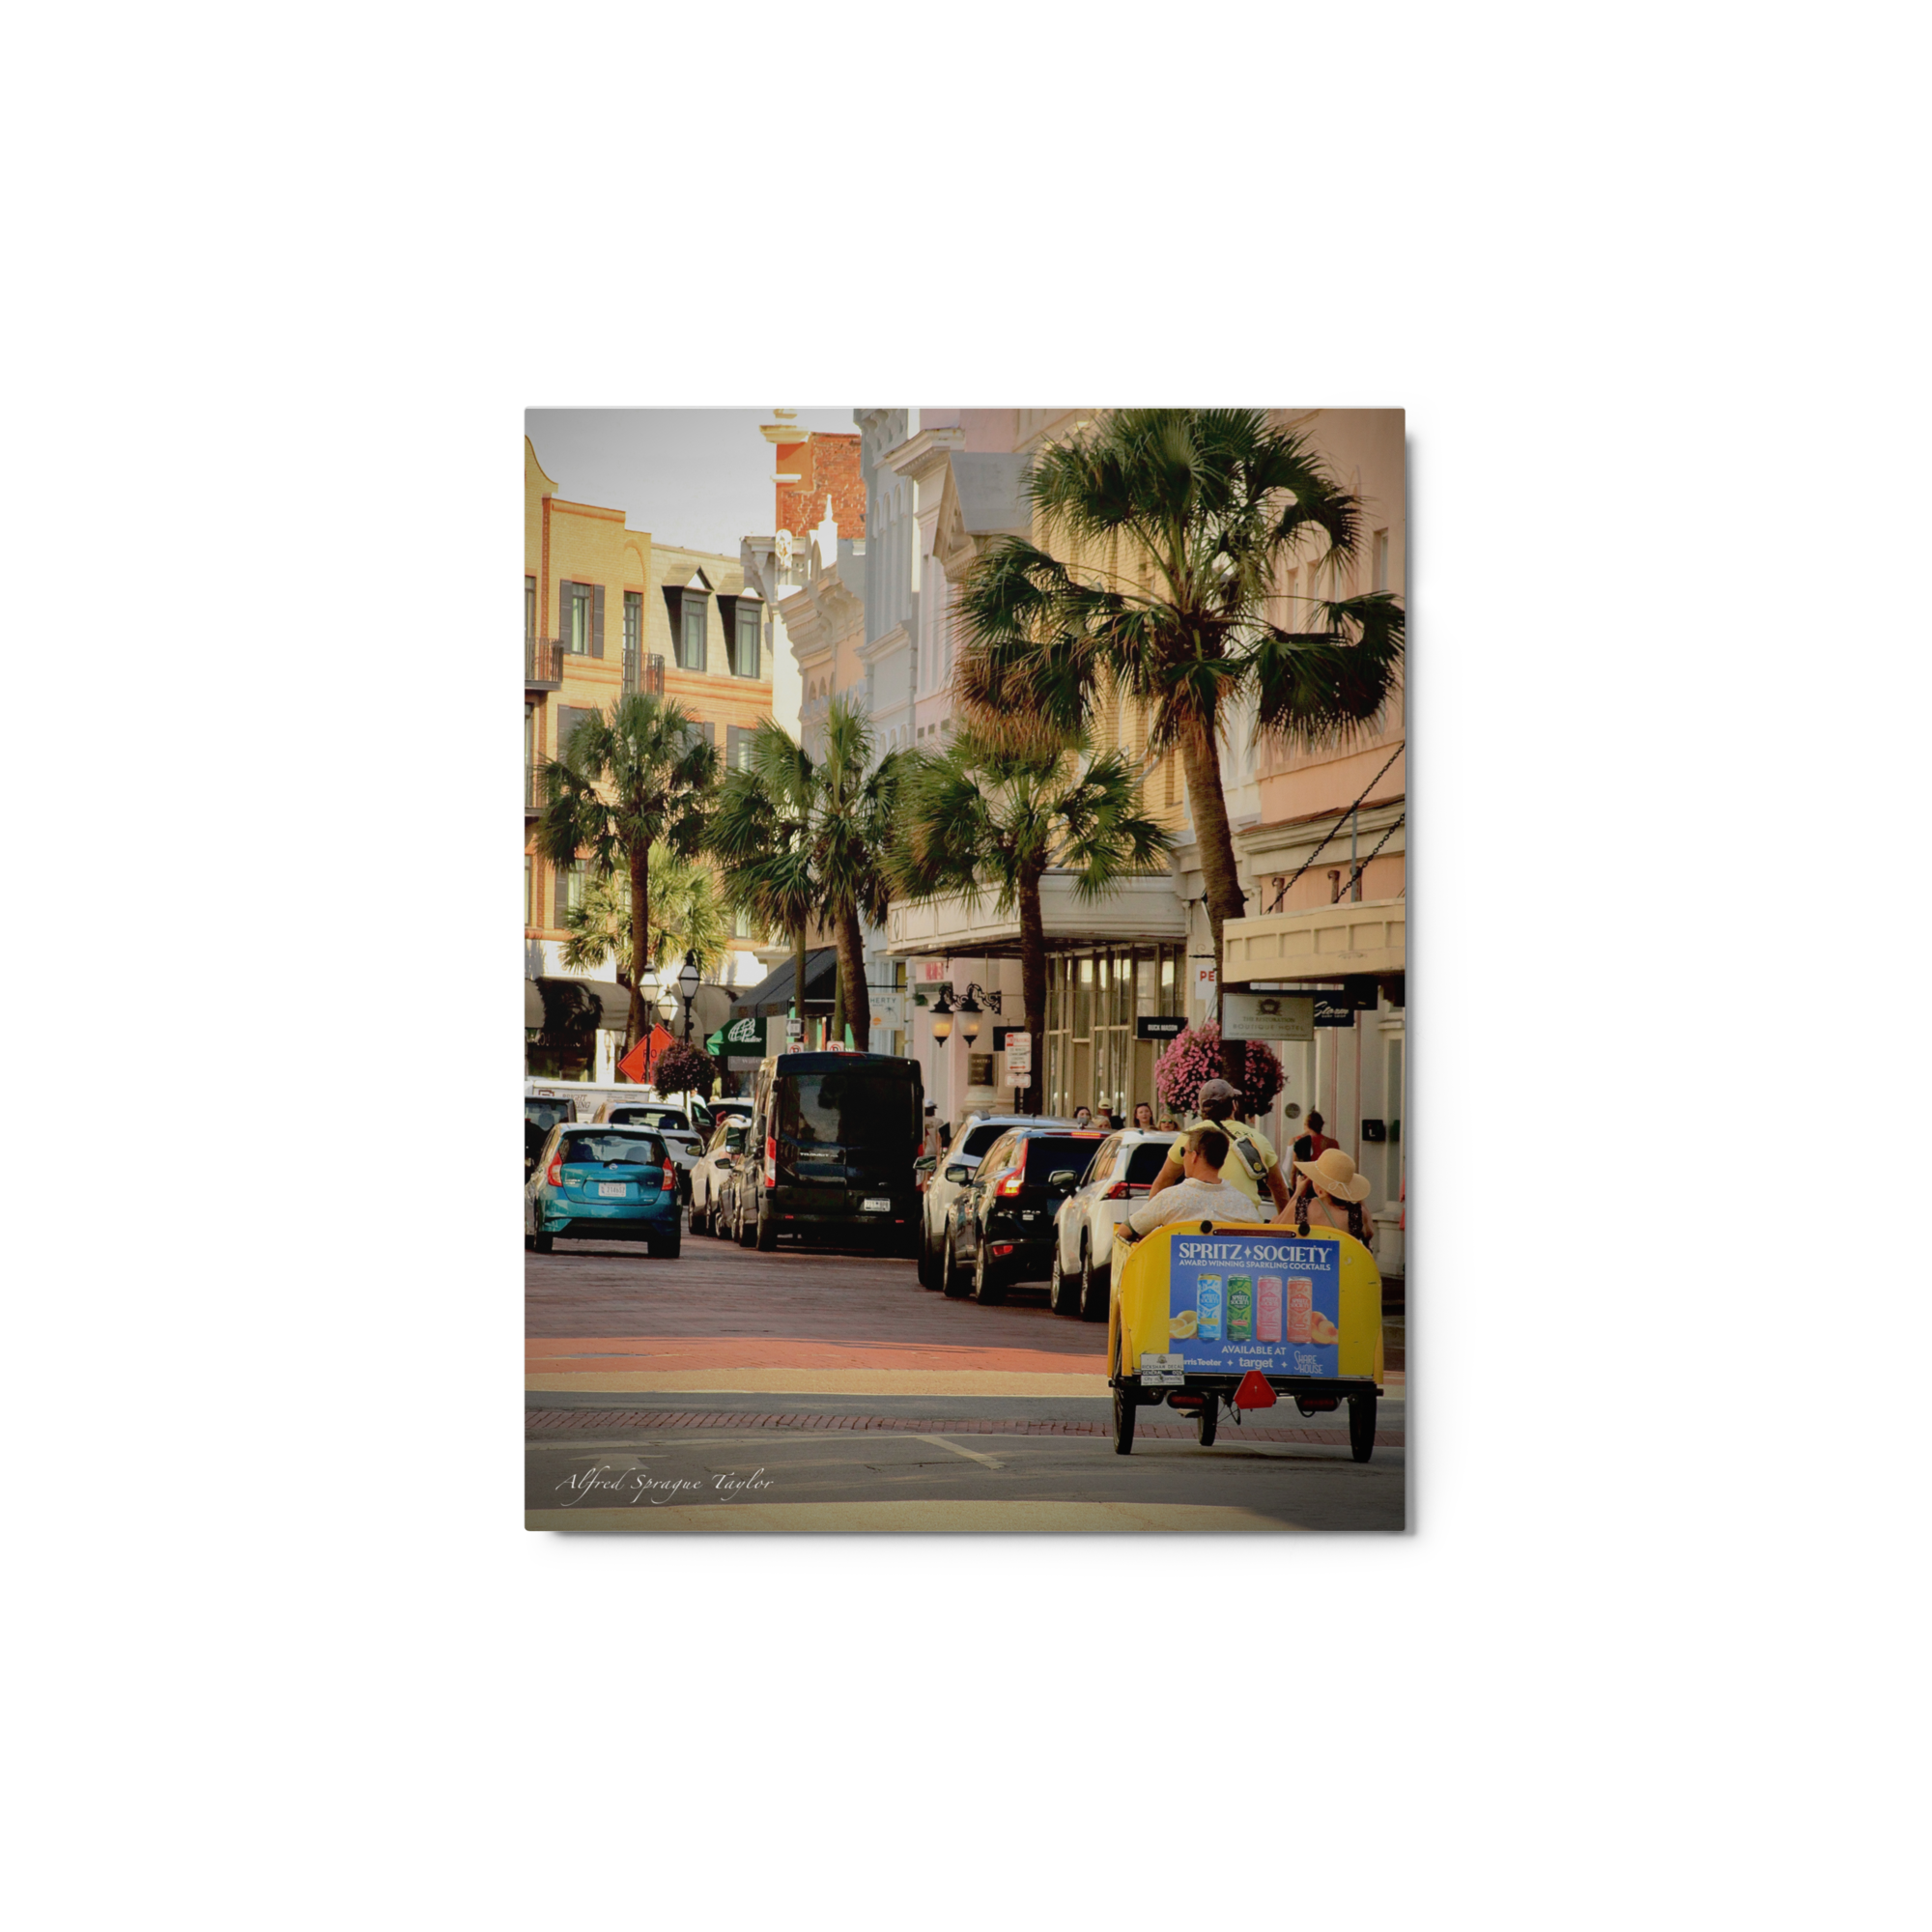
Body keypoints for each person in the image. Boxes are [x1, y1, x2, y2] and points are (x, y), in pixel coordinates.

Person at [1148, 1078, 1291, 1216]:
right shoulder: (1257, 1138)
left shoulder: (1190, 1137)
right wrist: (1286, 1226)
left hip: (1199, 1226)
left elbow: (1164, 1181)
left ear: (1201, 1108)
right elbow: (1278, 1187)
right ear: (1234, 1106)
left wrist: (1147, 1223)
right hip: (1246, 1227)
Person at [1118, 1126, 1264, 1242]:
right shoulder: (1243, 1204)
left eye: (1184, 1151)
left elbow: (1125, 1231)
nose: (1183, 1157)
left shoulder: (1170, 1199)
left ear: (1194, 1157)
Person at [1273, 1146, 1375, 1250]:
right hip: (1345, 1265)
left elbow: (1273, 1232)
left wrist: (1297, 1192)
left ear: (1319, 1187)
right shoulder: (1358, 1213)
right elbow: (1369, 1233)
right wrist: (1357, 1196)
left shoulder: (1301, 1209)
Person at [1288, 1110, 1341, 1208]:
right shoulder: (1333, 1143)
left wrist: (1295, 1189)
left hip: (1307, 1185)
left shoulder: (1300, 1143)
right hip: (1327, 1186)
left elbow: (1293, 1170)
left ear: (1307, 1125)